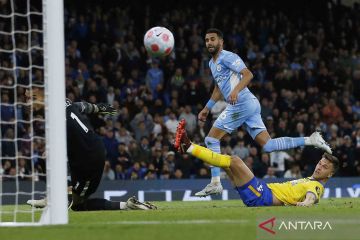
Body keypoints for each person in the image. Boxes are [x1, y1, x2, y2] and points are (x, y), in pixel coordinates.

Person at [195, 28, 332, 197]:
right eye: (207, 40)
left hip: (242, 103)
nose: (209, 42)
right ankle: (310, 139)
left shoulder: (228, 57)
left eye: (213, 39)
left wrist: (236, 90)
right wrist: (207, 108)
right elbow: (218, 88)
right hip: (248, 104)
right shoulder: (211, 63)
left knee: (211, 139)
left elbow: (248, 74)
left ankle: (215, 182)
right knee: (268, 145)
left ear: (221, 42)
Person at [25, 84, 156, 211]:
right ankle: (127, 205)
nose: (28, 103)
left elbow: (63, 132)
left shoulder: (52, 114)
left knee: (48, 160)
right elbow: (83, 106)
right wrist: (100, 107)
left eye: (31, 98)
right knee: (79, 205)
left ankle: (59, 196)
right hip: (93, 148)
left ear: (41, 97)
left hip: (87, 154)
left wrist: (50, 150)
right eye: (27, 99)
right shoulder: (65, 102)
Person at [175, 120, 339, 207]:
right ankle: (189, 147)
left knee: (235, 161)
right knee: (228, 163)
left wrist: (306, 204)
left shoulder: (317, 186)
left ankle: (188, 146)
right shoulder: (309, 180)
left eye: (325, 167)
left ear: (330, 174)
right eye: (320, 163)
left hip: (262, 196)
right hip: (262, 192)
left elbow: (312, 197)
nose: (319, 167)